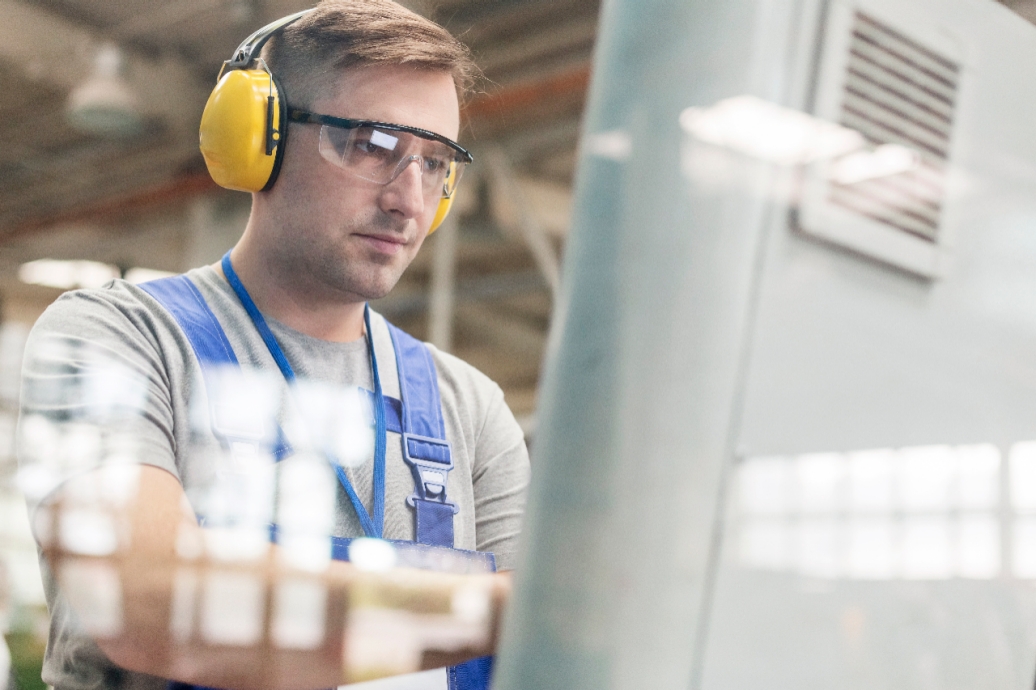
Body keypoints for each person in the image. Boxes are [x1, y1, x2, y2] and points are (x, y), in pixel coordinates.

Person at [16, 2, 530, 689]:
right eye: (373, 144)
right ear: (259, 138)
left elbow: (538, 656)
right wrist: (515, 606)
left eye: (435, 162)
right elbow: (145, 604)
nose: (409, 198)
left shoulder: (467, 406)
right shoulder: (119, 340)